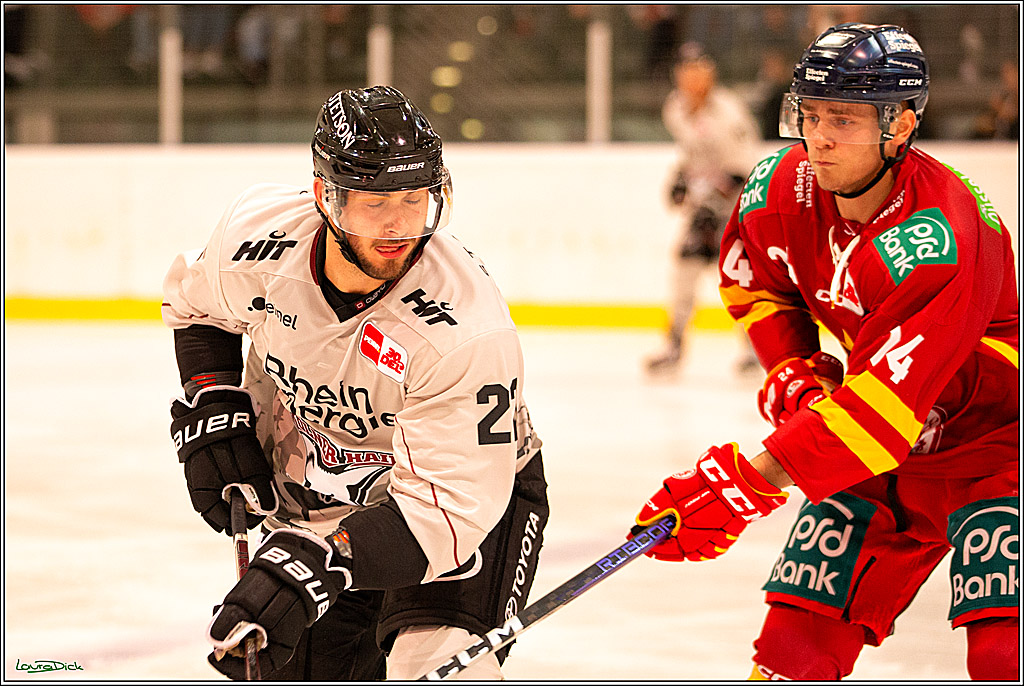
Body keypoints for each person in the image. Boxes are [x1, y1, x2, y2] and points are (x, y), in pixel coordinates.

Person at [633, 23, 1018, 680]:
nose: (820, 137)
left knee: (1002, 652)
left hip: (997, 451)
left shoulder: (938, 234)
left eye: (845, 118)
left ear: (899, 127)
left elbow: (880, 415)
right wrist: (793, 372)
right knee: (793, 646)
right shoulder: (780, 187)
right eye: (811, 115)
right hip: (875, 454)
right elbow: (752, 281)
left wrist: (749, 482)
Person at [162, 85, 548, 680]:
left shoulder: (465, 330)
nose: (399, 225)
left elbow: (446, 511)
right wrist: (216, 398)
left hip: (463, 500)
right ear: (325, 195)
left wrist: (316, 562)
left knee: (438, 664)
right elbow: (199, 308)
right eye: (374, 201)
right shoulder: (257, 241)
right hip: (321, 494)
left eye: (415, 198)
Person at [646, 42, 760, 376]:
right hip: (700, 209)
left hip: (731, 209)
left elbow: (745, 166)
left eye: (698, 69)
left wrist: (718, 192)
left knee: (740, 280)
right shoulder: (675, 108)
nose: (691, 78)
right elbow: (691, 152)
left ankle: (755, 348)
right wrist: (682, 178)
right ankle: (674, 346)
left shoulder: (729, 112)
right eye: (685, 70)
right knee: (683, 277)